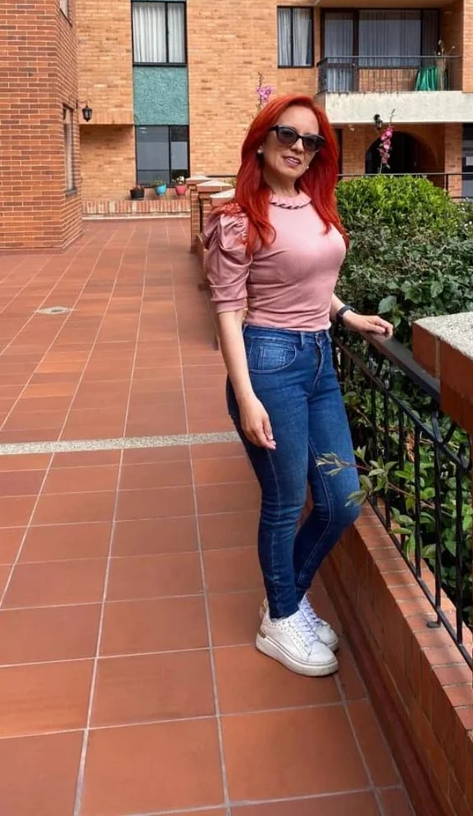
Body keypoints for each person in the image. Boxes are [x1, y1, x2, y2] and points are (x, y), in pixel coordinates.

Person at [203, 94, 393, 677]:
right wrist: (247, 396)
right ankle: (282, 618)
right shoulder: (238, 218)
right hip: (268, 362)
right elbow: (228, 312)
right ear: (262, 139)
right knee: (286, 502)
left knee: (341, 499)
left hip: (317, 360)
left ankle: (284, 600)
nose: (299, 148)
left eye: (312, 141)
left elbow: (311, 274)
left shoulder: (313, 201)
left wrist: (346, 315)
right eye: (288, 134)